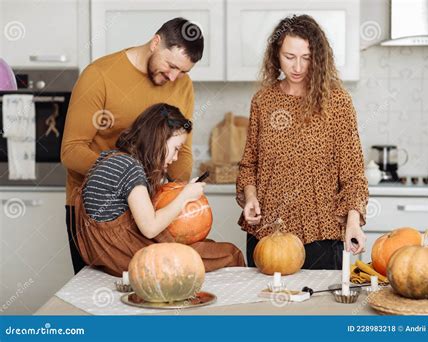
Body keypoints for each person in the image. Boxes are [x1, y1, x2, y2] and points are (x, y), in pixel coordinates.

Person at [61, 17, 203, 274]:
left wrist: (181, 195)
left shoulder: (182, 85)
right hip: (97, 212)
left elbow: (181, 151)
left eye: (183, 71)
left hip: (151, 209)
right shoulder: (99, 75)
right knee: (97, 294)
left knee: (153, 289)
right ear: (155, 42)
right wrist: (125, 179)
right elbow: (71, 150)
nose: (174, 77)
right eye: (171, 65)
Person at [236, 15, 369, 270]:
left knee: (320, 308)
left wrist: (352, 222)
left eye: (306, 58)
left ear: (318, 58)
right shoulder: (263, 101)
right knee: (262, 307)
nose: (298, 67)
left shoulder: (337, 102)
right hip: (267, 235)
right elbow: (249, 164)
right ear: (276, 55)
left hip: (322, 237)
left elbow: (353, 175)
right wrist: (250, 197)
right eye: (289, 57)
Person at [72, 103, 245, 277]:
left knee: (207, 247)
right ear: (159, 139)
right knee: (229, 254)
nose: (176, 157)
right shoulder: (130, 168)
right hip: (127, 255)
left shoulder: (110, 158)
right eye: (176, 148)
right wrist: (185, 196)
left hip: (106, 257)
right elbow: (150, 227)